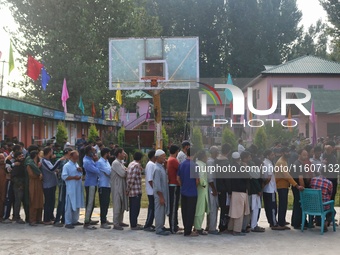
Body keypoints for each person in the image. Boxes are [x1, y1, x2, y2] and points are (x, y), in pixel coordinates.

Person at [275, 147, 304, 229]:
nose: (288, 153)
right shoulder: (281, 162)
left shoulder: (284, 161)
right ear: (282, 153)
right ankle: (281, 223)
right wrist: (296, 185)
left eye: (288, 152)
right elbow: (287, 175)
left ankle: (282, 220)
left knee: (284, 204)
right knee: (282, 205)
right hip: (281, 186)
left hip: (284, 186)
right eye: (286, 152)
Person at [177, 148, 199, 237]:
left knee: (184, 211)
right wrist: (193, 186)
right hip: (192, 192)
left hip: (184, 191)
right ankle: (188, 231)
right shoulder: (194, 165)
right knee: (191, 211)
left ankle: (186, 227)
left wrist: (183, 185)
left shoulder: (181, 164)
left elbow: (178, 178)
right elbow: (197, 180)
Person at [227, 152, 250, 236]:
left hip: (233, 191)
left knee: (233, 211)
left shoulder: (231, 166)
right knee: (239, 212)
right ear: (239, 159)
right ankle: (237, 230)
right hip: (240, 191)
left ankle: (230, 228)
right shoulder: (240, 167)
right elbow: (247, 177)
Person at [40, 147, 64, 225]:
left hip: (52, 184)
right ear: (49, 152)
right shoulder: (44, 161)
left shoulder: (48, 161)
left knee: (52, 202)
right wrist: (59, 160)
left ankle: (51, 216)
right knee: (48, 202)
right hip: (48, 185)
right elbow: (51, 169)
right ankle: (46, 219)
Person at [62, 150, 84, 229]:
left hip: (77, 187)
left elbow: (79, 174)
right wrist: (74, 177)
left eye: (77, 157)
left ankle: (75, 220)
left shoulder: (76, 164)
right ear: (71, 156)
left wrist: (80, 171)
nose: (76, 159)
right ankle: (68, 222)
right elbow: (64, 177)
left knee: (77, 203)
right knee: (69, 205)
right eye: (75, 157)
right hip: (71, 187)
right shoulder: (67, 166)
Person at [262, 149, 283, 230]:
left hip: (266, 190)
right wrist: (265, 185)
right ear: (268, 156)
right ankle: (274, 223)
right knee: (273, 207)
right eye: (272, 155)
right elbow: (269, 178)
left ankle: (271, 221)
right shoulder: (269, 164)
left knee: (267, 207)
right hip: (270, 189)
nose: (273, 156)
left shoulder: (263, 162)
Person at [153, 149, 171, 236]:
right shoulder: (157, 169)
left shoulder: (161, 167)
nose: (165, 158)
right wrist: (161, 197)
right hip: (160, 195)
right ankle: (158, 228)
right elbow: (157, 185)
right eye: (163, 156)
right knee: (159, 211)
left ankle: (161, 226)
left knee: (162, 211)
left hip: (163, 194)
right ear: (158, 157)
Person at [54, 147, 72, 227]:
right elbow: (53, 168)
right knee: (61, 201)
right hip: (62, 183)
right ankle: (57, 219)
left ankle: (64, 218)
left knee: (66, 201)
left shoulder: (69, 160)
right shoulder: (61, 160)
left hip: (68, 183)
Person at [215, 143, 232, 233]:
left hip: (218, 186)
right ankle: (223, 226)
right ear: (229, 152)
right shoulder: (226, 162)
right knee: (224, 208)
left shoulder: (216, 160)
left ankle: (219, 225)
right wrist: (230, 190)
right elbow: (227, 178)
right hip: (224, 188)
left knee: (220, 207)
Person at [111, 147, 129, 230]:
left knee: (122, 204)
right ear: (119, 154)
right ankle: (116, 223)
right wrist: (127, 171)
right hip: (117, 186)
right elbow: (123, 173)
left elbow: (125, 170)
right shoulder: (115, 163)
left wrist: (126, 170)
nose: (124, 154)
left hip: (122, 185)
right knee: (117, 204)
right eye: (123, 153)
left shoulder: (120, 162)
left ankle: (120, 221)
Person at [83, 145, 100, 229]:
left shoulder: (90, 159)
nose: (94, 152)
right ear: (89, 151)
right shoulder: (87, 161)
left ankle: (89, 218)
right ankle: (86, 222)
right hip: (90, 184)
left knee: (92, 203)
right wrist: (96, 161)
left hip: (94, 183)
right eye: (93, 151)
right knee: (89, 203)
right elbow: (97, 171)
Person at [291, 149, 308, 229]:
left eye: (306, 155)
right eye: (304, 155)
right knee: (299, 205)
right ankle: (298, 223)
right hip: (299, 187)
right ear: (299, 155)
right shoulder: (299, 165)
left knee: (297, 204)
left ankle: (295, 221)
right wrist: (303, 188)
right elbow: (300, 178)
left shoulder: (297, 163)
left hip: (295, 186)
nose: (305, 156)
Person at [26, 150, 43, 226]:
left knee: (40, 200)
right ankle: (32, 219)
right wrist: (38, 175)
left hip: (39, 184)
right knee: (33, 200)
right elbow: (31, 175)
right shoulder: (30, 164)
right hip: (33, 183)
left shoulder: (37, 164)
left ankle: (39, 218)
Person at [194, 150, 209, 235]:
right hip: (201, 190)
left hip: (198, 190)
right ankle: (198, 227)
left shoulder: (197, 163)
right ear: (203, 157)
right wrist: (203, 184)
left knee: (198, 208)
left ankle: (196, 226)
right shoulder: (201, 165)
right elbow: (200, 176)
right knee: (200, 209)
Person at [126, 152, 143, 230]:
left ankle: (134, 222)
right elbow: (132, 179)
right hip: (135, 190)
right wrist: (128, 189)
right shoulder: (136, 166)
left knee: (133, 208)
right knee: (135, 208)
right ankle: (133, 225)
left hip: (133, 190)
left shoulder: (130, 164)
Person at [167, 144, 181, 234]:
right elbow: (181, 169)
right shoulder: (174, 160)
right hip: (174, 185)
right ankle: (173, 227)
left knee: (174, 207)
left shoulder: (169, 159)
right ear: (176, 152)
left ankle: (175, 225)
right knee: (173, 207)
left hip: (173, 185)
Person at [97, 147, 112, 229]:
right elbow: (109, 172)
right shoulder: (100, 162)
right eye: (109, 153)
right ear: (106, 154)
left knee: (107, 203)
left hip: (108, 184)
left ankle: (105, 218)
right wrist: (111, 170)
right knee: (103, 204)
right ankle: (102, 222)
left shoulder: (106, 162)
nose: (110, 155)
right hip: (103, 185)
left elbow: (109, 172)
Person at [206, 146, 220, 235]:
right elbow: (210, 178)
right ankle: (212, 228)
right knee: (213, 208)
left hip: (212, 187)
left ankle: (209, 226)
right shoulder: (211, 162)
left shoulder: (211, 161)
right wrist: (214, 189)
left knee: (211, 208)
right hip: (212, 188)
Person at [11, 151, 26, 224]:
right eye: (20, 156)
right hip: (18, 186)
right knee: (17, 201)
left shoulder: (23, 164)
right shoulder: (16, 166)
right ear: (16, 157)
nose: (22, 157)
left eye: (22, 156)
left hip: (23, 185)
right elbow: (14, 177)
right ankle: (16, 216)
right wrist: (20, 185)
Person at [143, 150, 156, 232]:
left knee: (152, 207)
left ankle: (150, 223)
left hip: (151, 190)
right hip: (151, 191)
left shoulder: (151, 164)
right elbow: (150, 180)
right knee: (152, 208)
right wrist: (155, 189)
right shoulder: (151, 165)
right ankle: (147, 225)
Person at [0, 154, 6, 222]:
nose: (2, 160)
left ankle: (2, 215)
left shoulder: (5, 167)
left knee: (3, 200)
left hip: (3, 187)